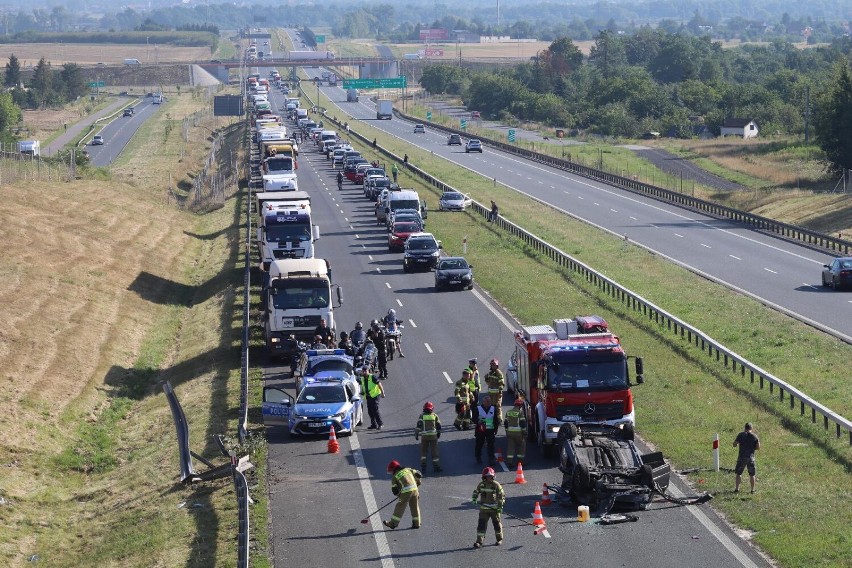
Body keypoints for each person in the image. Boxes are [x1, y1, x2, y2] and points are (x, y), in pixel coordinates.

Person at [471, 467, 504, 548]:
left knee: (497, 525)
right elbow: (476, 491)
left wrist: (500, 506)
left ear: (493, 476)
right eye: (487, 476)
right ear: (484, 477)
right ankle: (479, 542)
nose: (489, 478)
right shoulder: (481, 484)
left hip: (494, 510)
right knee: (481, 525)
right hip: (484, 509)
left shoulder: (496, 485)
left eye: (490, 476)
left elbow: (501, 496)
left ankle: (499, 539)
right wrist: (474, 498)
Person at [384, 460, 422, 529]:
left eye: (391, 471)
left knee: (400, 506)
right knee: (414, 506)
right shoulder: (408, 469)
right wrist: (418, 483)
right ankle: (417, 523)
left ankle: (393, 523)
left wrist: (399, 495)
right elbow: (419, 474)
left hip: (406, 492)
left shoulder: (395, 476)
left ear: (393, 469)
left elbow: (395, 491)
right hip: (415, 490)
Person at [733, 422, 760, 494]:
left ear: (745, 428)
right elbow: (758, 447)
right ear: (751, 428)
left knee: (739, 473)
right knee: (752, 474)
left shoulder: (741, 434)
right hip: (751, 457)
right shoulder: (755, 436)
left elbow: (734, 444)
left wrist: (737, 443)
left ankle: (737, 489)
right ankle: (752, 490)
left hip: (742, 457)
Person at [415, 402, 442, 472]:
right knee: (434, 452)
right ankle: (436, 467)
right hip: (433, 436)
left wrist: (416, 434)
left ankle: (423, 467)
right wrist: (438, 433)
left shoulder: (422, 416)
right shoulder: (435, 415)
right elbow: (439, 426)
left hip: (424, 437)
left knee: (424, 452)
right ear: (432, 408)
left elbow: (419, 425)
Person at [474, 395, 499, 465]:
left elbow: (495, 420)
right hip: (480, 429)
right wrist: (477, 421)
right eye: (487, 401)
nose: (488, 403)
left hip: (490, 429)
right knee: (479, 444)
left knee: (491, 445)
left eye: (489, 401)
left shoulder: (493, 408)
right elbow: (474, 419)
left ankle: (491, 459)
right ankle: (478, 457)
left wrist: (496, 428)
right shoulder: (478, 408)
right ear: (483, 402)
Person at [503, 398, 527, 468]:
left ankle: (510, 462)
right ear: (520, 406)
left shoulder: (508, 412)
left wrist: (507, 431)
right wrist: (524, 431)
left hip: (510, 433)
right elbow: (522, 423)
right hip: (518, 433)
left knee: (511, 447)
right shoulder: (520, 412)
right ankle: (520, 462)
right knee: (521, 446)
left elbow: (506, 423)